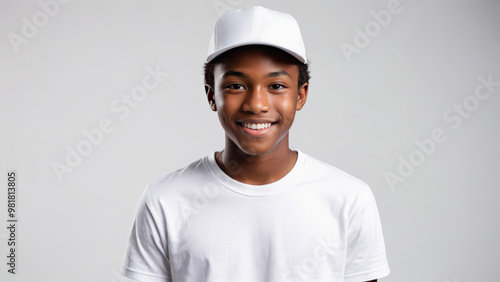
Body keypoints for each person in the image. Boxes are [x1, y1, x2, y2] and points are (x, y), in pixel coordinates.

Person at [120, 6, 390, 282]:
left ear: (300, 95)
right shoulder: (164, 200)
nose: (256, 104)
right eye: (236, 85)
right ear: (212, 96)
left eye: (276, 86)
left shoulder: (349, 199)